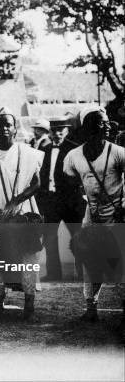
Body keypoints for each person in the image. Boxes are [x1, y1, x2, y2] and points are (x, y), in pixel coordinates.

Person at [0, 106, 44, 321]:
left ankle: (29, 306)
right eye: (0, 124)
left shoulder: (26, 152)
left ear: (15, 129)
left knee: (27, 260)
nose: (4, 128)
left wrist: (16, 201)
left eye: (8, 124)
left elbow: (37, 182)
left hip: (23, 213)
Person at [62, 106, 125, 337]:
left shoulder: (118, 152)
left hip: (116, 216)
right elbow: (68, 179)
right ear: (88, 127)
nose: (107, 126)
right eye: (101, 122)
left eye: (108, 122)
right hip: (92, 216)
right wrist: (82, 196)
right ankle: (91, 307)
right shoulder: (73, 156)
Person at [36, 117, 84, 281]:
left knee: (77, 236)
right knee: (50, 237)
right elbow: (42, 176)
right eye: (54, 130)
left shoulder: (75, 150)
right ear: (50, 132)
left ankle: (82, 272)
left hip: (71, 202)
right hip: (51, 201)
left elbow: (81, 176)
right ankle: (53, 273)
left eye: (61, 130)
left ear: (67, 131)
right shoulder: (46, 149)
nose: (57, 134)